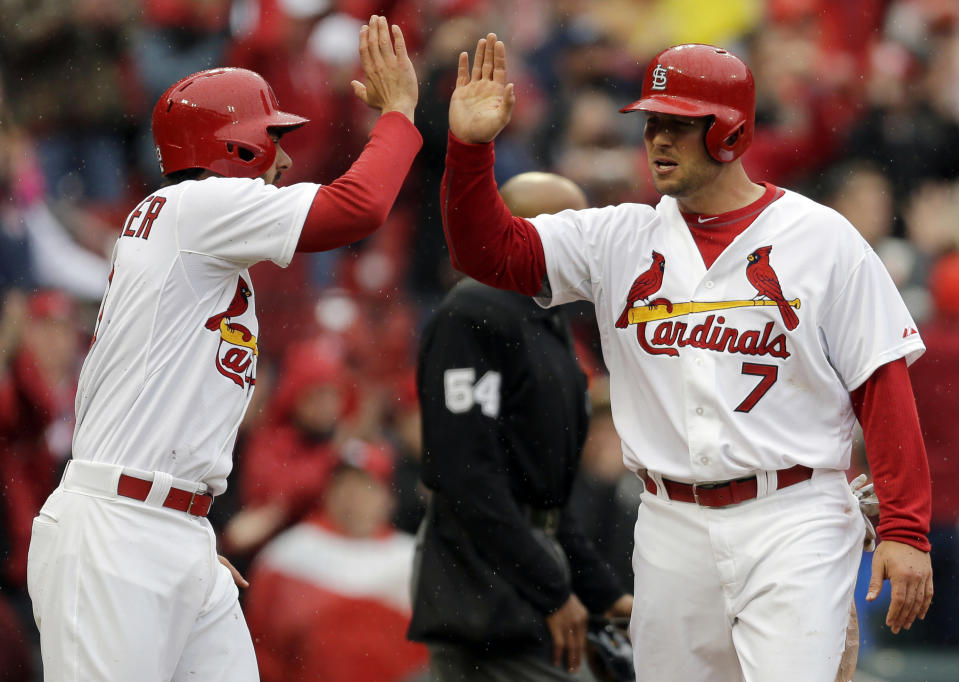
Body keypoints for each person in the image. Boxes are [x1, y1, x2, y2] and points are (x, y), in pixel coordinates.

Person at [436, 37, 933, 681]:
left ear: (729, 133)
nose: (658, 140)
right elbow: (486, 253)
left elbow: (882, 385)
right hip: (669, 521)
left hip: (794, 515)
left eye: (678, 124)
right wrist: (471, 149)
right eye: (651, 124)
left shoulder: (822, 239)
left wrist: (905, 529)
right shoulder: (617, 235)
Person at [26, 15, 421, 682]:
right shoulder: (195, 209)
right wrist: (400, 115)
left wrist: (180, 528)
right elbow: (357, 208)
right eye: (272, 138)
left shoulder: (195, 242)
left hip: (171, 526)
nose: (286, 159)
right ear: (229, 145)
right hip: (117, 530)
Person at [408, 171, 633, 681]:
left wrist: (606, 594)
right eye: (573, 227)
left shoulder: (544, 318)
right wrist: (552, 590)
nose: (586, 243)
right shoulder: (474, 311)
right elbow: (464, 474)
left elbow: (545, 496)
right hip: (481, 588)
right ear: (529, 230)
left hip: (526, 578)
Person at [244, 438, 429, 682]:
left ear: (389, 498)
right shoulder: (288, 555)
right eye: (344, 484)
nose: (354, 496)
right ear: (328, 491)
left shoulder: (413, 558)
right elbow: (260, 647)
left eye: (366, 486)